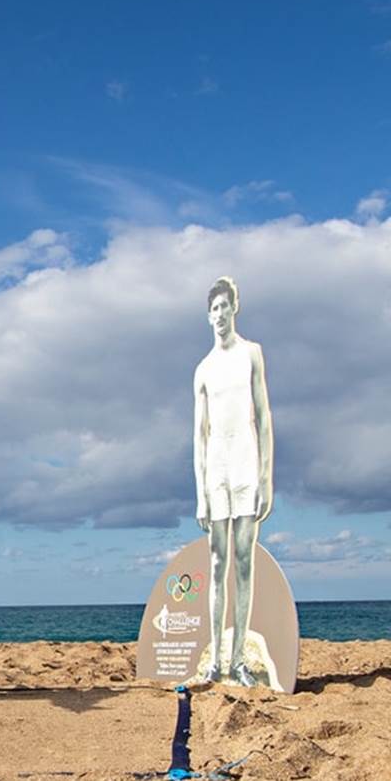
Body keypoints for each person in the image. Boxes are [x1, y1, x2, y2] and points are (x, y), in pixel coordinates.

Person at [192, 277, 273, 687]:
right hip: (215, 469)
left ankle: (238, 658)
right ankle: (214, 662)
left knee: (244, 560)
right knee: (217, 563)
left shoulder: (252, 354)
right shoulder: (203, 370)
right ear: (208, 315)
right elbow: (198, 434)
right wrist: (200, 494)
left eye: (226, 306)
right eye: (215, 308)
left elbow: (263, 415)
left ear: (234, 308)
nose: (220, 314)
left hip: (245, 463)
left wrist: (265, 478)